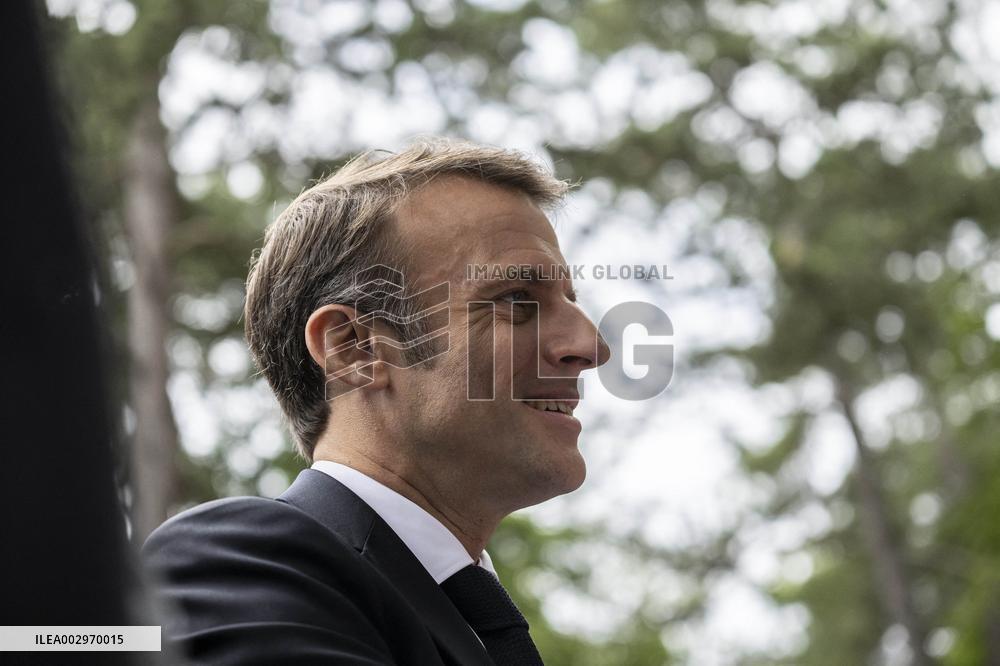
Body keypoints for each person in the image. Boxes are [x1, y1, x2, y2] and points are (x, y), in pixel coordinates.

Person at [142, 137, 611, 665]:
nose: (591, 346)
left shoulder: (463, 620)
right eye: (516, 301)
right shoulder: (241, 564)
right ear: (354, 348)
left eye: (570, 299)